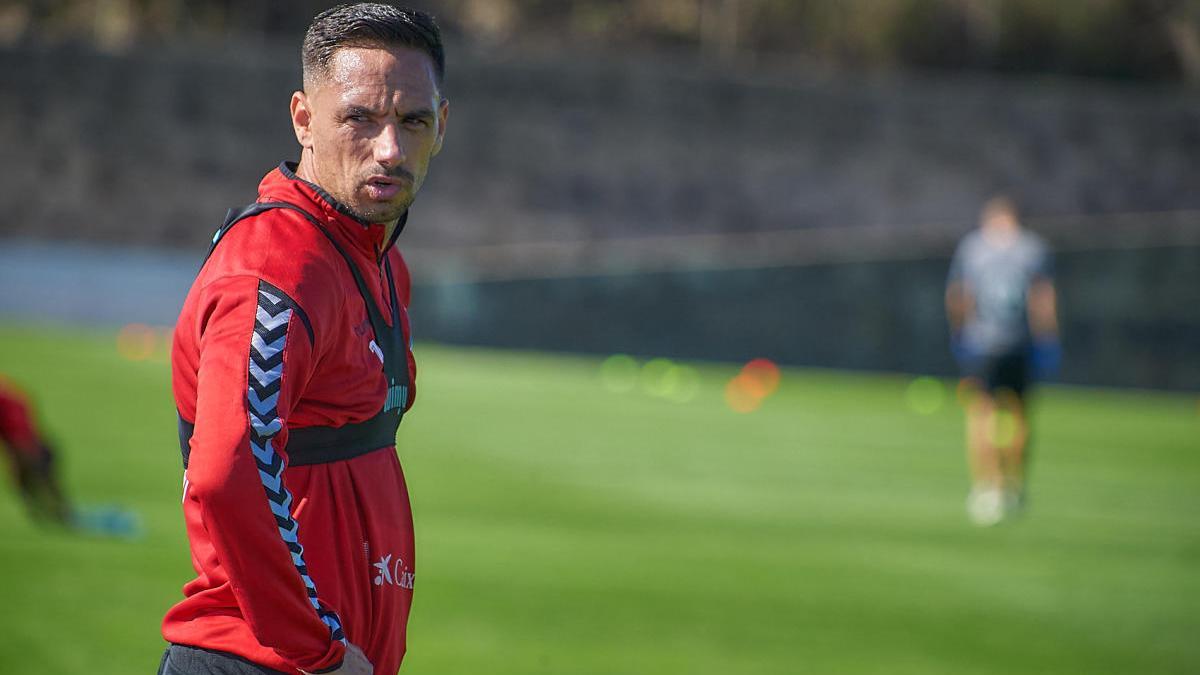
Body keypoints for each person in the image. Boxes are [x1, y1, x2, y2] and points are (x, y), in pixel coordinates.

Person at [160, 4, 448, 674]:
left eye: (413, 121)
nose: (390, 149)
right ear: (303, 119)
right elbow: (228, 470)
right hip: (262, 660)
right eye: (360, 118)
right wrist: (316, 650)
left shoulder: (375, 258)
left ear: (443, 126)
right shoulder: (277, 267)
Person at [945, 196, 1059, 527]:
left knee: (981, 413)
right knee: (1019, 413)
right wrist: (1048, 339)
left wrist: (959, 333)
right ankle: (1014, 486)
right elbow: (1043, 299)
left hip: (983, 343)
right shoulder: (1033, 248)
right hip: (1020, 345)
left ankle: (986, 487)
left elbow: (958, 295)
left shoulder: (974, 247)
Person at [0, 375, 72, 525]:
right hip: (28, 440)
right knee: (36, 471)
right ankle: (56, 512)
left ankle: (58, 512)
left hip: (29, 444)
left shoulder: (10, 402)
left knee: (36, 471)